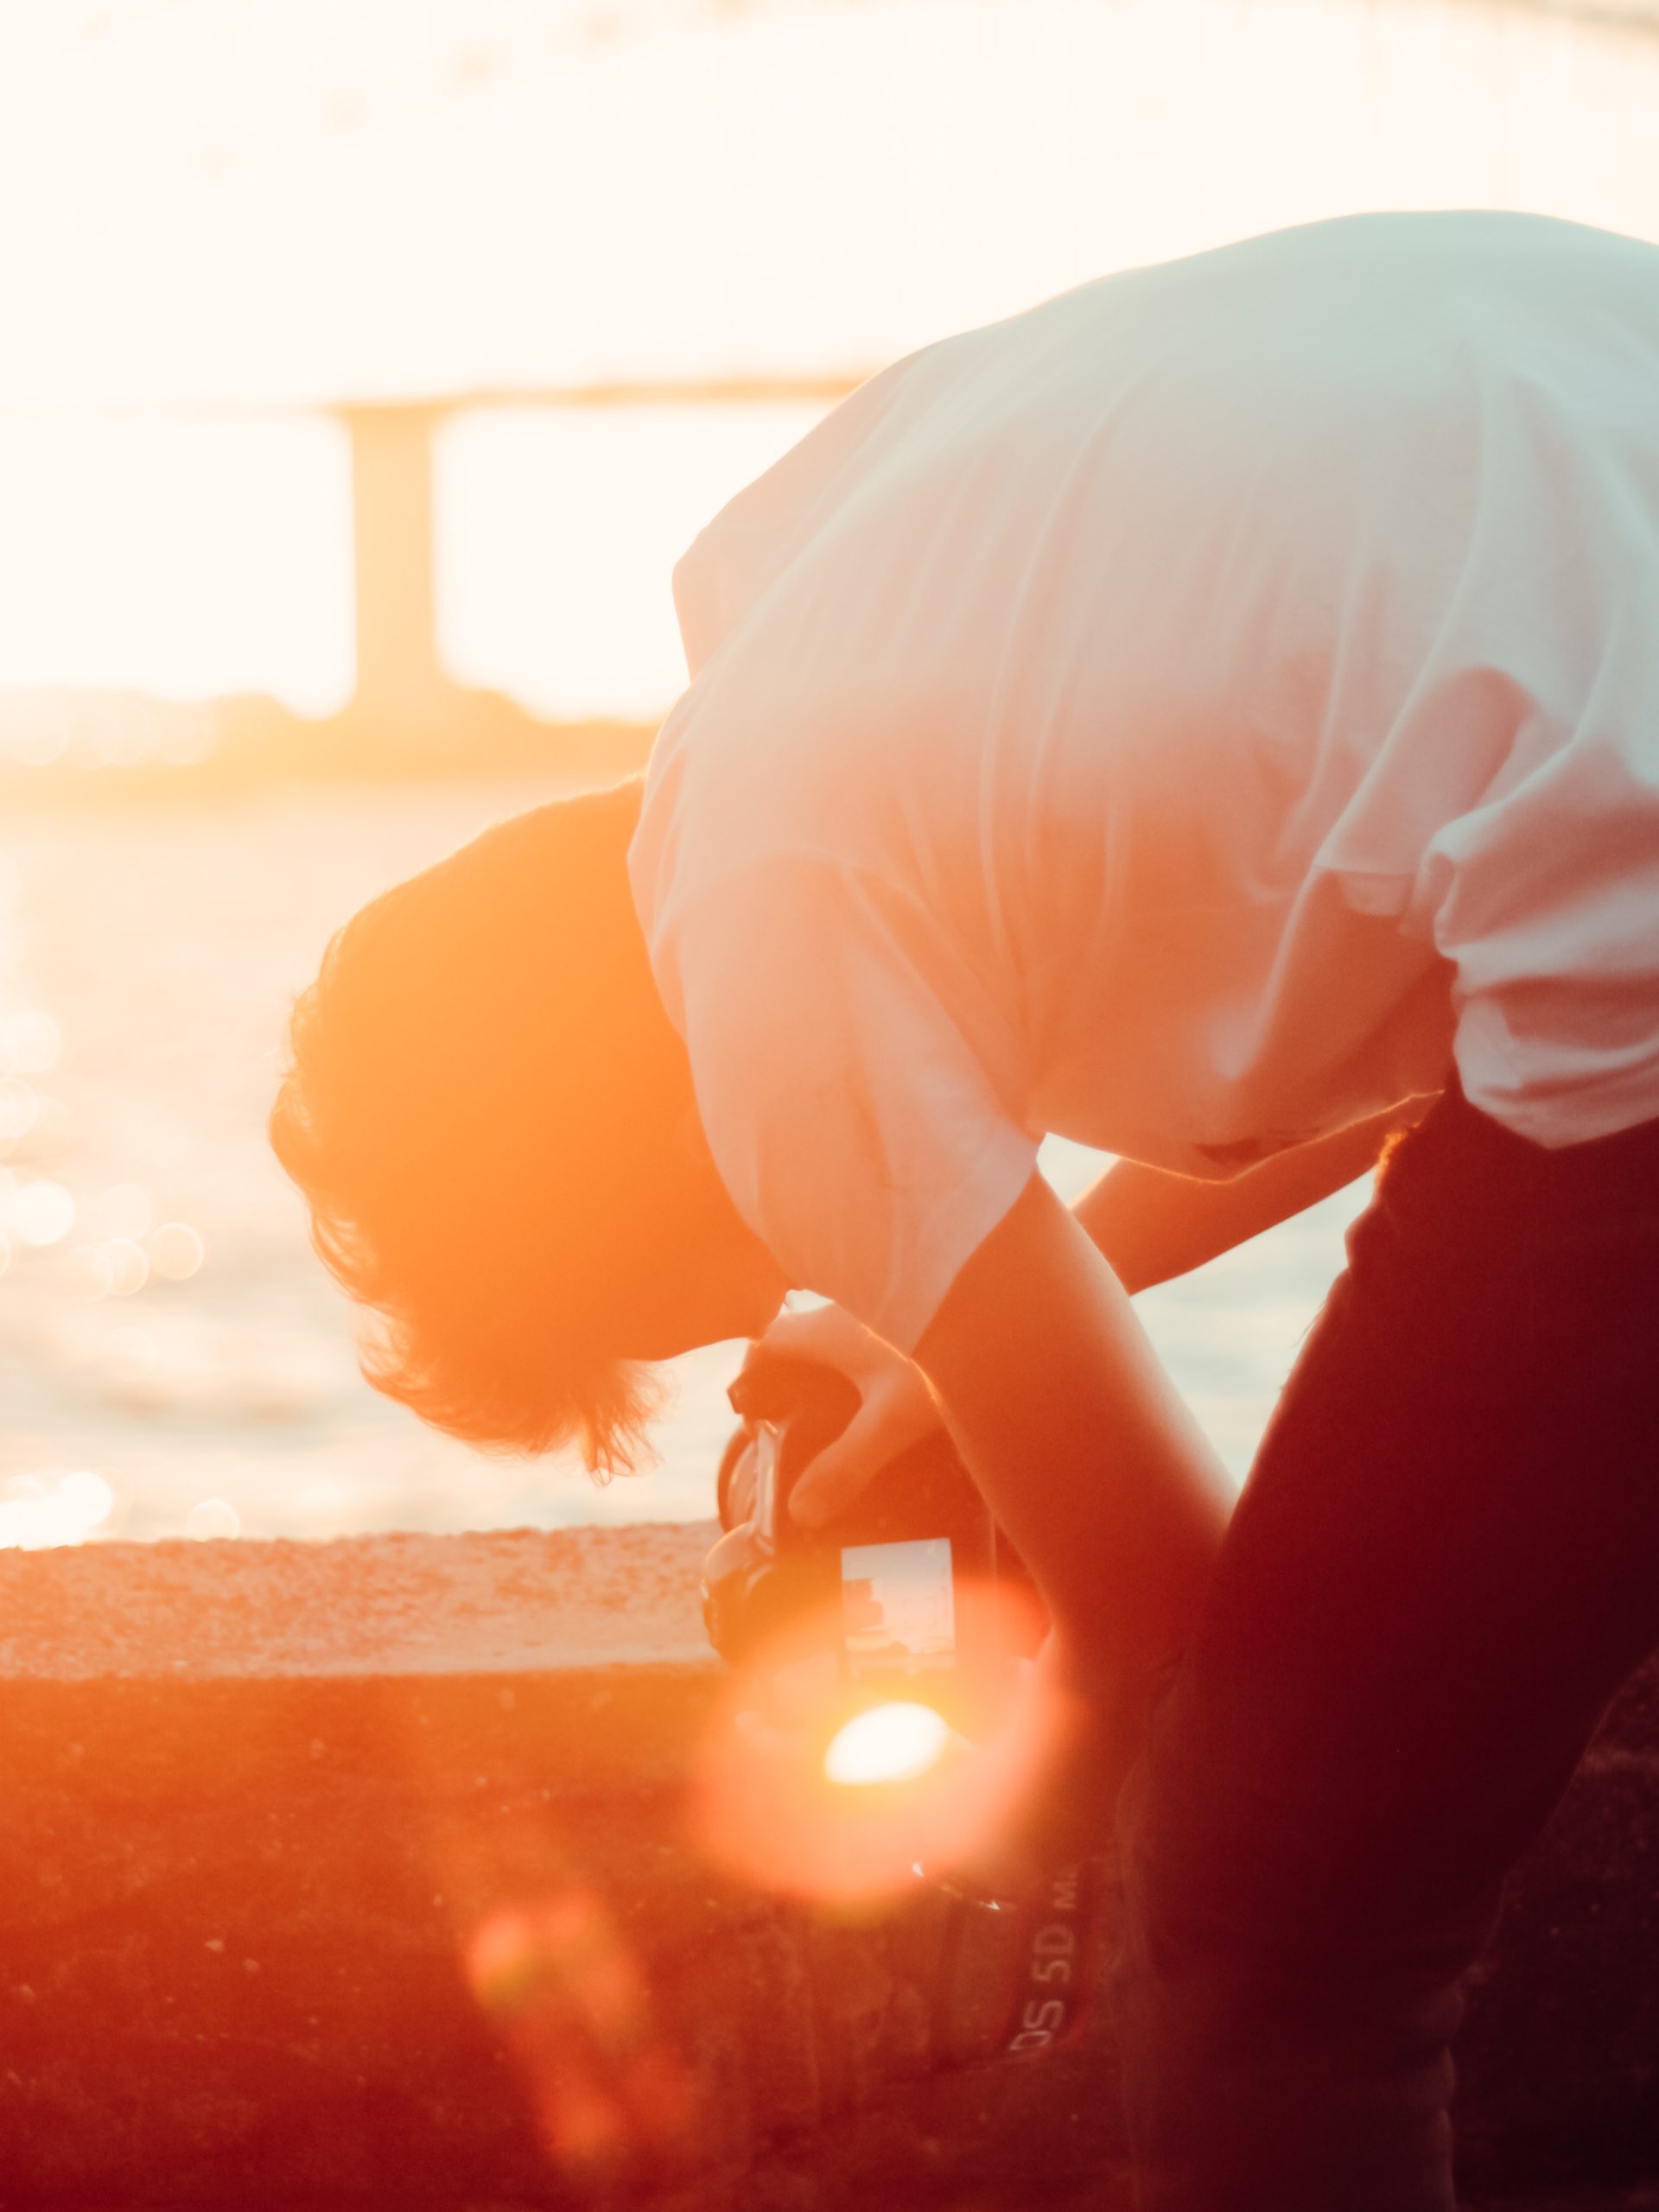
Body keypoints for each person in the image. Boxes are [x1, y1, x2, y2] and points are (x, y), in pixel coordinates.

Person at [271, 211, 1659, 2209]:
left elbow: (1170, 1630)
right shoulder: (814, 583)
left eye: (734, 1269)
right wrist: (976, 1313)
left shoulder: (751, 960)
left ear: (636, 1167)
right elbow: (1430, 944)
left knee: (1272, 1937)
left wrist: (1011, 1807)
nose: (803, 1252)